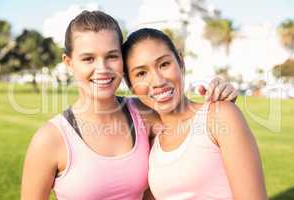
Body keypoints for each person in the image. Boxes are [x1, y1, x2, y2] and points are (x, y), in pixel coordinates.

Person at [21, 11, 238, 200]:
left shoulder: (144, 114)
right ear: (69, 63)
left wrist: (220, 93)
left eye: (112, 56)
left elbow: (193, 122)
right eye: (88, 59)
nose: (102, 68)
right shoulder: (50, 140)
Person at [122, 28, 267, 200]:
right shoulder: (151, 143)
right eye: (141, 73)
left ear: (181, 62)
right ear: (130, 85)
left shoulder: (220, 116)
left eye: (164, 64)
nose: (158, 81)